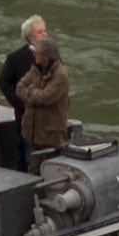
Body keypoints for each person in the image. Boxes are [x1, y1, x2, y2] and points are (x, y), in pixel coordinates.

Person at [0, 15, 47, 169]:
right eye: (40, 32)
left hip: (48, 118)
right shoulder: (15, 58)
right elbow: (3, 82)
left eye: (45, 31)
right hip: (26, 117)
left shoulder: (51, 55)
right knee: (25, 155)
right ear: (29, 37)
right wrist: (20, 105)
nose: (44, 34)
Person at [16, 38, 70, 173]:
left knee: (51, 173)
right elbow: (19, 88)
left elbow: (46, 98)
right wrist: (35, 93)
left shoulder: (60, 75)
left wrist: (30, 92)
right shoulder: (35, 69)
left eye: (36, 52)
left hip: (50, 138)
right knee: (33, 172)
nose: (33, 54)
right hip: (32, 136)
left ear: (45, 57)